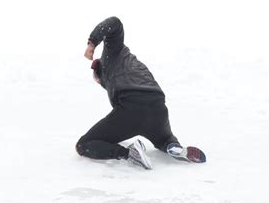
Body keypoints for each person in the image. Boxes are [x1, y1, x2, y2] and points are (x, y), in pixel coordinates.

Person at [75, 16, 206, 170]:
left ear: (100, 71)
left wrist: (92, 43)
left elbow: (114, 22)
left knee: (84, 144)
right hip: (158, 108)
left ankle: (129, 154)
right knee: (164, 138)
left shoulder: (112, 53)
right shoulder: (131, 63)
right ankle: (173, 146)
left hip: (132, 107)